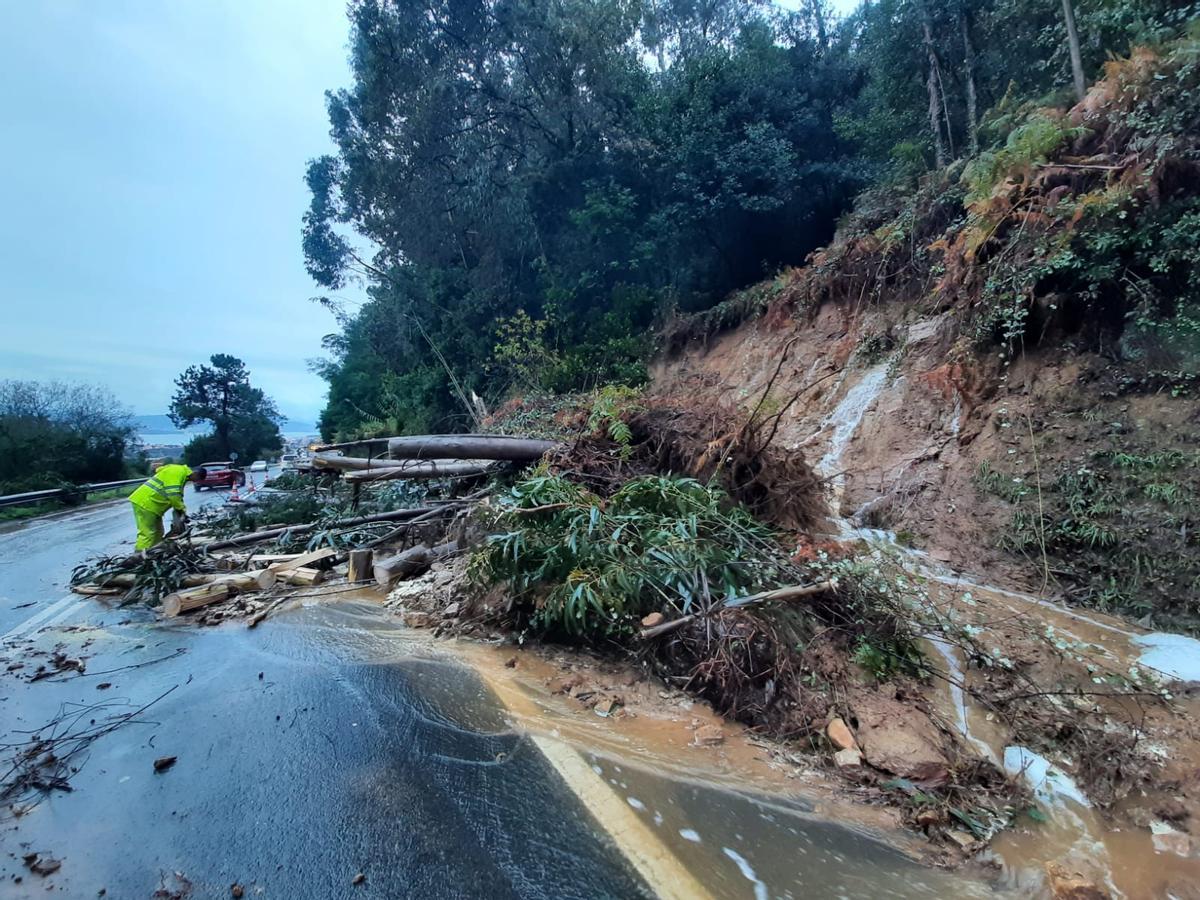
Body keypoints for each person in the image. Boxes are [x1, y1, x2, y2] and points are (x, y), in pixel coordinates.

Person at [129, 464, 207, 551]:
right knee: (148, 533)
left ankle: (153, 552)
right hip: (146, 503)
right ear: (196, 474)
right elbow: (174, 495)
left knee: (158, 532)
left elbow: (175, 495)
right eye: (197, 480)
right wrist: (182, 510)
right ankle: (139, 557)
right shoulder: (178, 471)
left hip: (153, 505)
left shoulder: (181, 473)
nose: (195, 482)